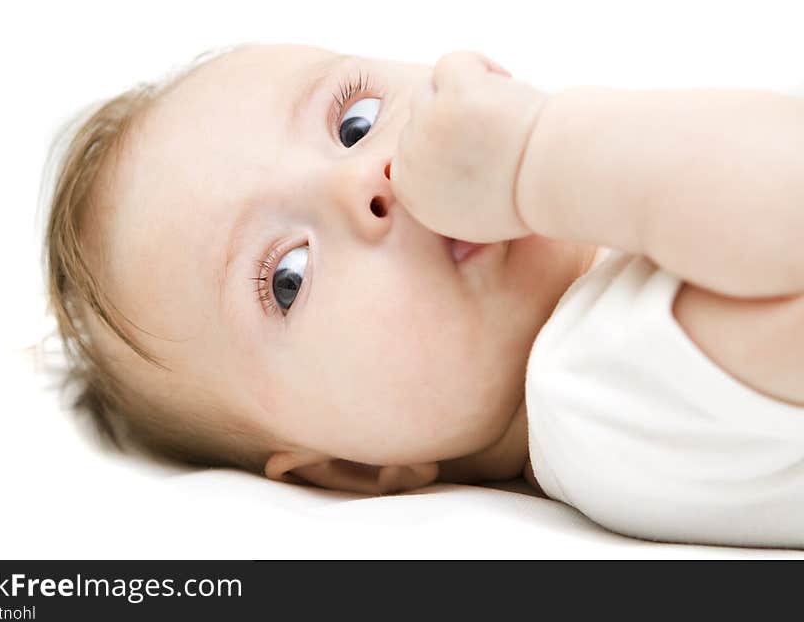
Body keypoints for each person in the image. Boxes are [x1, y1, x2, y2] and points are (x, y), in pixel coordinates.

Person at [42, 43, 804, 548]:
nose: (362, 180)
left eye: (354, 122)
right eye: (288, 277)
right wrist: (539, 155)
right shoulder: (592, 388)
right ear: (356, 471)